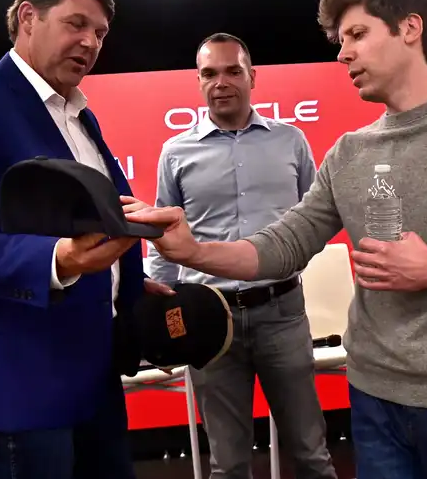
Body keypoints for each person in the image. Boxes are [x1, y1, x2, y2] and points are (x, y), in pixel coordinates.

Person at [124, 0, 427, 479]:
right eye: (341, 42)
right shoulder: (349, 152)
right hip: (373, 397)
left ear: (409, 28)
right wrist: (192, 252)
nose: (343, 54)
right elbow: (285, 243)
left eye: (357, 35)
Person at [0, 0, 144, 479]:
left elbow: (97, 218)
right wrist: (59, 258)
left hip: (95, 373)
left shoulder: (78, 114)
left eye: (99, 33)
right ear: (28, 17)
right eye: (77, 24)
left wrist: (126, 284)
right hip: (17, 386)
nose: (90, 43)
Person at [129, 32, 337, 479]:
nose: (220, 82)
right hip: (209, 321)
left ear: (252, 77)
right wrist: (156, 320)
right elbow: (163, 241)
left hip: (282, 312)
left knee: (310, 453)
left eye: (232, 71)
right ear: (198, 81)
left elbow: (316, 218)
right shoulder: (175, 152)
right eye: (209, 73)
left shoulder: (292, 141)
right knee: (228, 463)